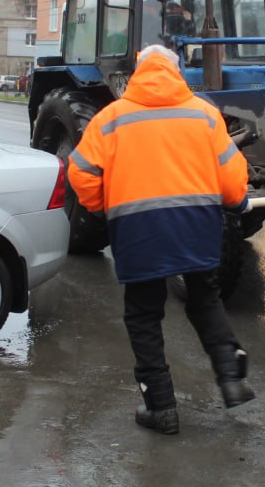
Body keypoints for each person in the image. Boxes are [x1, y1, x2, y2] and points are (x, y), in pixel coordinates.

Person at [67, 44, 254, 436]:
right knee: (204, 299)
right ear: (178, 71)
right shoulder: (204, 115)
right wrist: (237, 203)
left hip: (138, 231)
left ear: (137, 72)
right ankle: (230, 374)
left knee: (144, 315)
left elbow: (80, 172)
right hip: (197, 227)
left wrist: (105, 208)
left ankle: (161, 406)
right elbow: (231, 177)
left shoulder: (111, 118)